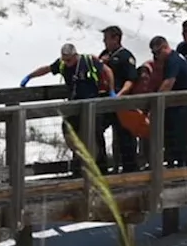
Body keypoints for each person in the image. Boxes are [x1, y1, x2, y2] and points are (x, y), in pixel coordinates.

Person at [21, 43, 115, 176]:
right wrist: (29, 77)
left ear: (75, 55)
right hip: (73, 107)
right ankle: (78, 169)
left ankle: (101, 170)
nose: (67, 63)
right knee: (71, 135)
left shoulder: (89, 61)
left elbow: (107, 71)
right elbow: (47, 69)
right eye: (64, 60)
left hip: (93, 105)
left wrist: (111, 90)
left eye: (69, 60)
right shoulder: (62, 64)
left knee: (96, 137)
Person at [149, 35, 187, 168]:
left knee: (179, 133)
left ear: (165, 47)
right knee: (171, 131)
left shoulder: (173, 60)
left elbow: (168, 83)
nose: (156, 56)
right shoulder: (173, 59)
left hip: (185, 102)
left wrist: (155, 104)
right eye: (154, 53)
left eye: (158, 52)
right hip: (178, 103)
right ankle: (174, 162)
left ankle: (183, 164)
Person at [99, 26, 140, 173]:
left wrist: (119, 94)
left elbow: (130, 80)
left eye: (107, 39)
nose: (104, 42)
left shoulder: (125, 57)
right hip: (105, 102)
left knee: (125, 135)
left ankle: (130, 167)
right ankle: (102, 166)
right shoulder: (104, 55)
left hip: (122, 102)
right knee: (97, 130)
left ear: (116, 38)